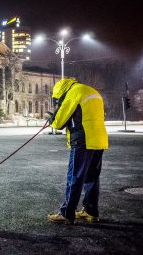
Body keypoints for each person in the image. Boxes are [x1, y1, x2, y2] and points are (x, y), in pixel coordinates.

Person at [46, 77, 108, 224]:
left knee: (75, 176)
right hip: (99, 140)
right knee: (92, 178)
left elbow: (58, 122)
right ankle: (90, 211)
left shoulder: (73, 94)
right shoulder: (91, 91)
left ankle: (67, 213)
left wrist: (50, 118)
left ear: (60, 93)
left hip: (83, 140)